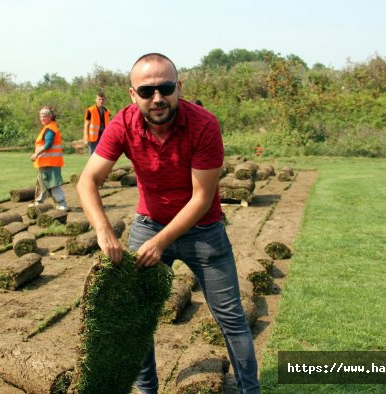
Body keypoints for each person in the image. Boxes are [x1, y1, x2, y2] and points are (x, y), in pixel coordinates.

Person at [76, 53, 260, 393]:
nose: (157, 98)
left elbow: (202, 197)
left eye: (166, 87)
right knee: (137, 317)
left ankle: (250, 389)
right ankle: (148, 390)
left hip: (204, 230)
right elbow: (87, 181)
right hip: (148, 222)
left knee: (231, 318)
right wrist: (104, 230)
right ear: (133, 95)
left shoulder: (204, 124)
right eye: (147, 91)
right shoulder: (123, 123)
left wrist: (161, 242)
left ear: (179, 88)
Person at [30, 106, 70, 211]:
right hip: (46, 162)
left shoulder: (50, 129)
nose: (42, 118)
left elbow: (48, 145)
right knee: (42, 183)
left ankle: (63, 204)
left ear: (50, 117)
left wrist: (36, 154)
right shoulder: (48, 127)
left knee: (53, 183)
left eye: (44, 116)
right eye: (40, 116)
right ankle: (38, 202)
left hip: (50, 162)